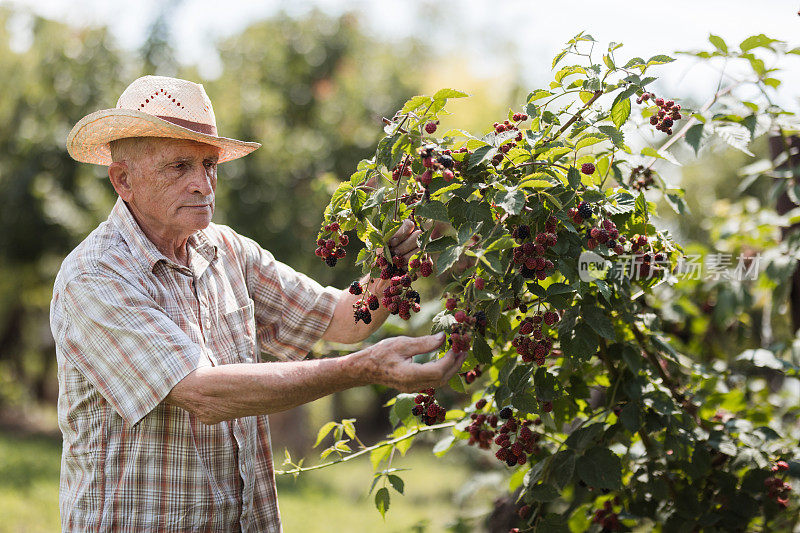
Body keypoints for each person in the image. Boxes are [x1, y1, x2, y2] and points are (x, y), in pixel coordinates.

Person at [51, 75, 466, 532]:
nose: (203, 184)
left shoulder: (226, 250)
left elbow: (344, 318)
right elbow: (201, 393)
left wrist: (409, 243)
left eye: (210, 165)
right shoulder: (96, 276)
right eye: (179, 167)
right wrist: (361, 369)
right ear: (123, 180)